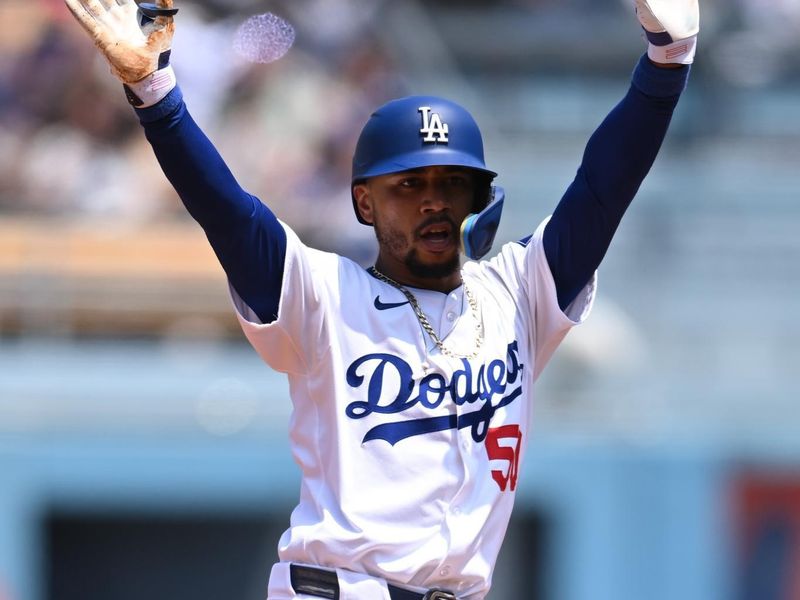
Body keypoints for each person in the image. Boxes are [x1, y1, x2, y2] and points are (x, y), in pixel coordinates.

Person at [62, 1, 699, 598]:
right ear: (364, 202)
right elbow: (229, 215)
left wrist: (667, 64)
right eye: (408, 185)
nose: (432, 201)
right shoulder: (323, 296)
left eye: (453, 182)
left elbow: (602, 189)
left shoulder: (519, 292)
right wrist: (156, 98)